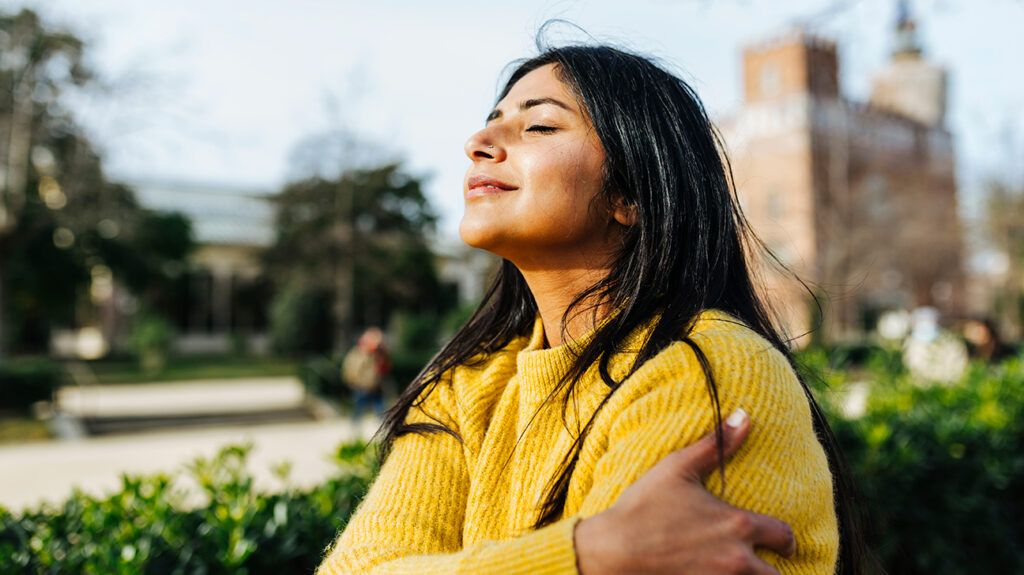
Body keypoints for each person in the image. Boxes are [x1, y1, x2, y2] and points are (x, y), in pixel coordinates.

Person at [317, 42, 866, 574]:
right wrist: (585, 555)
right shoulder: (463, 389)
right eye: (492, 119)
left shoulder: (708, 371)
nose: (478, 141)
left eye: (539, 126)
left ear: (630, 195)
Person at [342, 327, 389, 421]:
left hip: (375, 386)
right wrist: (355, 383)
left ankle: (384, 429)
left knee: (380, 410)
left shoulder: (378, 354)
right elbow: (352, 370)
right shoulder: (357, 354)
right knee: (358, 410)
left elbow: (385, 368)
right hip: (361, 387)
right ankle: (355, 431)